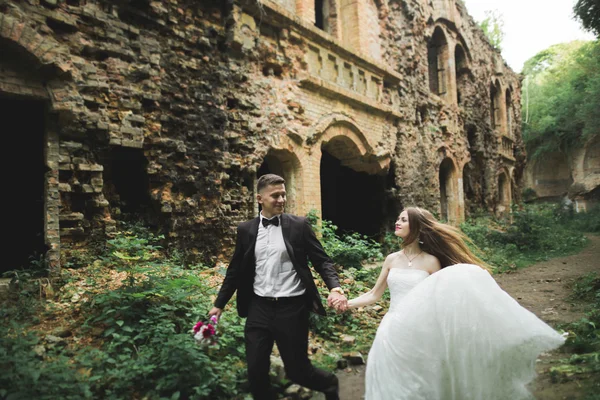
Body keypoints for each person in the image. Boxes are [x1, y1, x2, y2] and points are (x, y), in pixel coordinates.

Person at [335, 206, 565, 400]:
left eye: (403, 220)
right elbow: (375, 295)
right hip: (393, 328)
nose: (397, 222)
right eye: (397, 218)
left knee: (424, 379)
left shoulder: (432, 261)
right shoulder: (391, 259)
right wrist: (348, 303)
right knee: (393, 379)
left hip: (422, 329)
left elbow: (442, 295)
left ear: (416, 226)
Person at [208, 173, 347, 400]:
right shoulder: (246, 230)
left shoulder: (299, 226)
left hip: (292, 308)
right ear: (260, 198)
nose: (281, 199)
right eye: (275, 195)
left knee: (298, 371)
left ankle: (330, 384)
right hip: (258, 308)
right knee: (255, 373)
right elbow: (235, 270)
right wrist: (219, 304)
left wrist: (335, 287)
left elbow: (322, 260)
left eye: (283, 194)